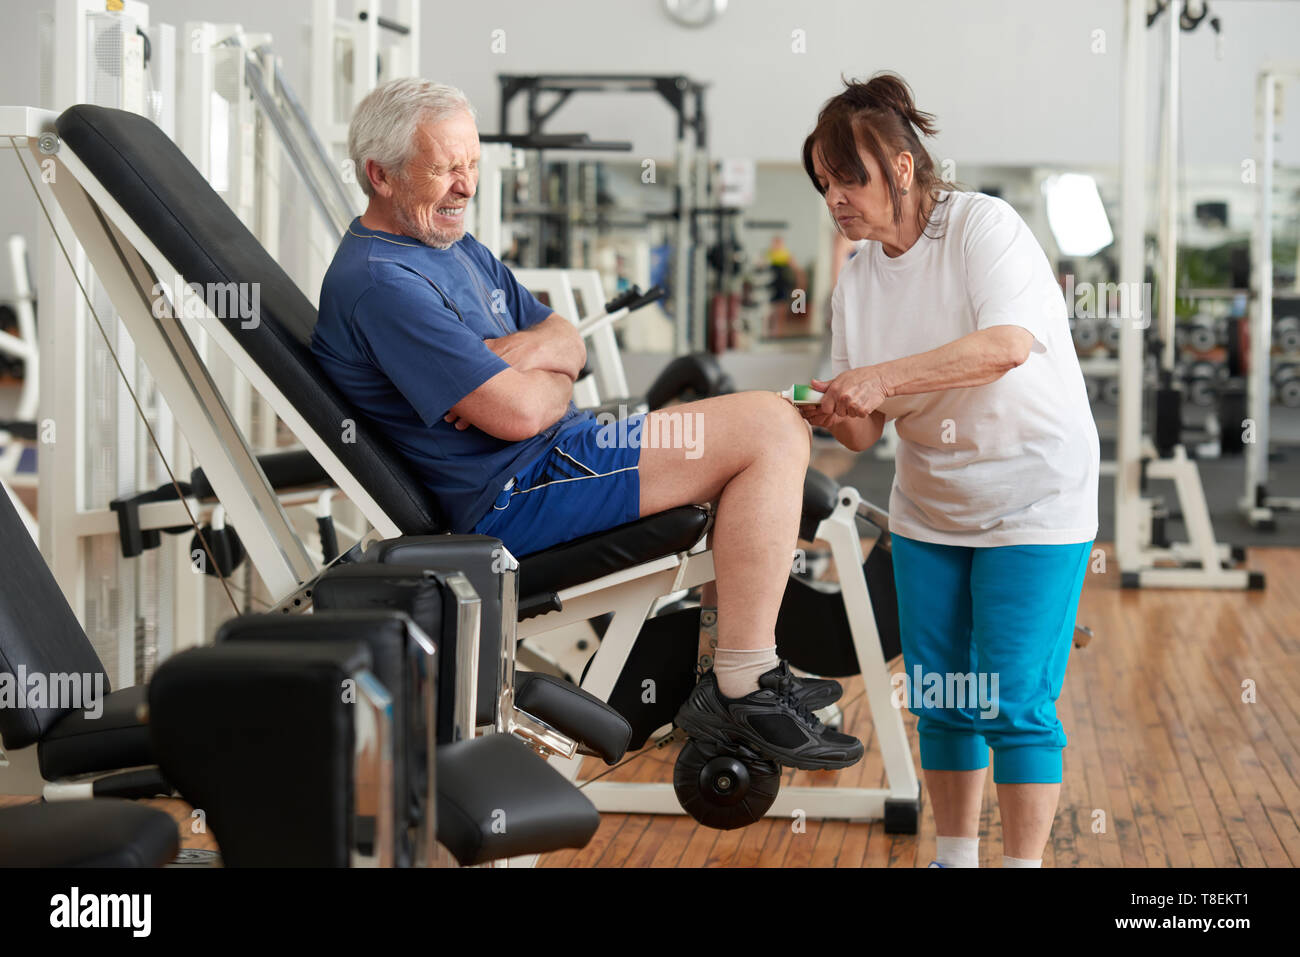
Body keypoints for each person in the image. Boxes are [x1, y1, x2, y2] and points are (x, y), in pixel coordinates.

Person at [310, 78, 863, 772]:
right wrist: (535, 380)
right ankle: (742, 685)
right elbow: (518, 413)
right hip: (518, 494)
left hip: (566, 453)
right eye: (446, 168)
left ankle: (735, 671)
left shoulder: (454, 248)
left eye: (472, 165)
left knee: (767, 427)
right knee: (772, 427)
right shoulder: (381, 282)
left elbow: (563, 334)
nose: (465, 186)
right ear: (380, 175)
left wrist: (531, 359)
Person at [799, 72, 1099, 867]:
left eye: (849, 178)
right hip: (932, 504)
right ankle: (955, 857)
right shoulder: (858, 278)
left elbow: (1004, 346)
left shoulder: (980, 228)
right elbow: (864, 431)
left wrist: (883, 379)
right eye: (825, 184)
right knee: (943, 697)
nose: (836, 198)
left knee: (1015, 702)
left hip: (1034, 496)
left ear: (901, 168)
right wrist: (833, 407)